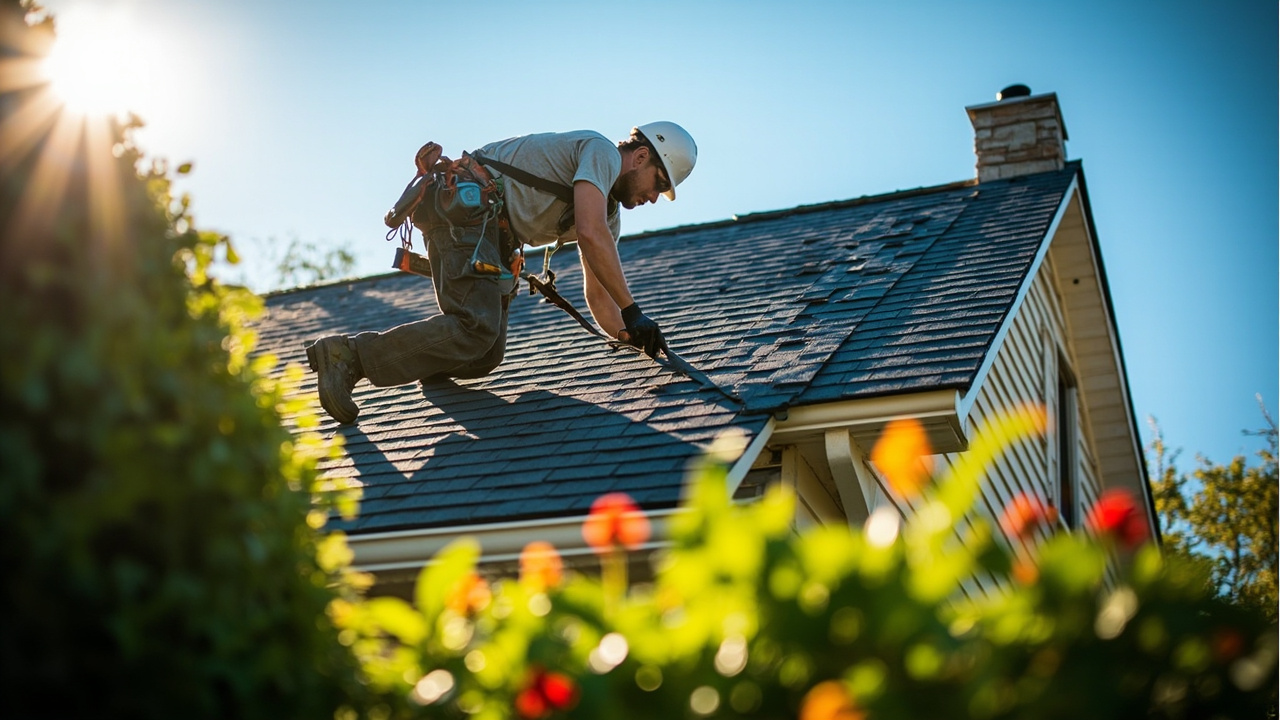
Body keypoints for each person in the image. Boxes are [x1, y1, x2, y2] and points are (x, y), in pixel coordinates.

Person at [305, 122, 697, 424]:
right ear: (640, 157)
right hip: (467, 210)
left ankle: (424, 355)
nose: (652, 198)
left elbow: (599, 294)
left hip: (491, 235)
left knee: (484, 355)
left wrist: (631, 336)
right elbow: (589, 234)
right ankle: (347, 356)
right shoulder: (602, 153)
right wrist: (634, 310)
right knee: (477, 328)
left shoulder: (607, 214)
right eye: (658, 184)